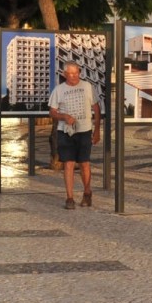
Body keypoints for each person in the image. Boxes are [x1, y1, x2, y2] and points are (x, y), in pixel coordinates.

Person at [48, 62, 102, 210]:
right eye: (70, 74)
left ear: (80, 72)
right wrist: (63, 116)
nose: (73, 76)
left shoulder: (87, 87)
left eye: (76, 73)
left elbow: (96, 108)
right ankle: (69, 197)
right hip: (65, 131)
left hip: (84, 130)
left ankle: (87, 192)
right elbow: (52, 111)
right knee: (69, 163)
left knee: (84, 163)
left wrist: (97, 130)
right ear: (65, 74)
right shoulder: (59, 90)